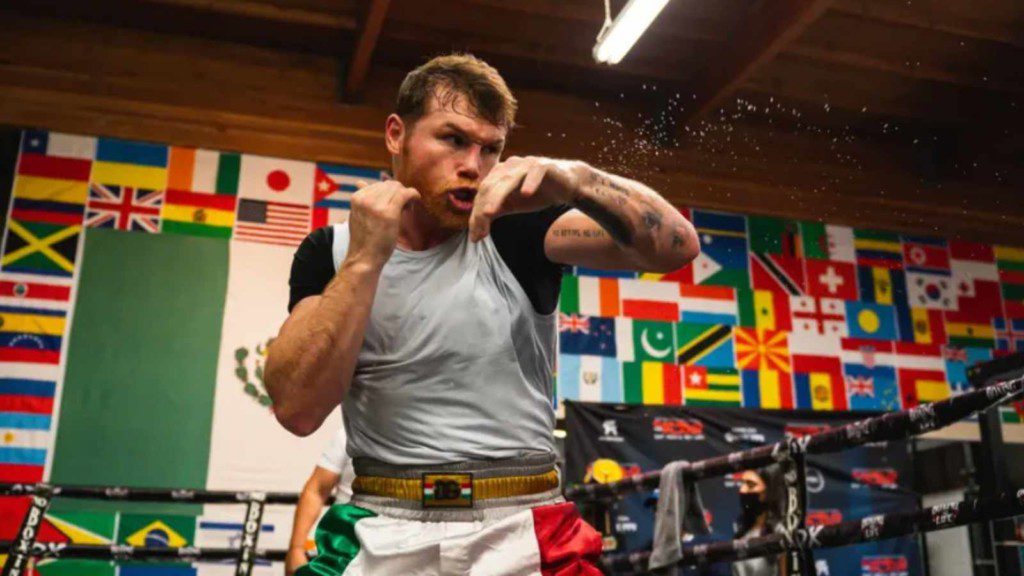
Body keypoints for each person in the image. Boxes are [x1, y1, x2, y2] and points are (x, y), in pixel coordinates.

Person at [265, 52, 700, 575]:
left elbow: (675, 245)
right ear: (396, 134)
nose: (474, 165)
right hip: (380, 530)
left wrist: (580, 180)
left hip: (519, 531)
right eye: (453, 140)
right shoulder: (330, 252)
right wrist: (364, 262)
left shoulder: (517, 232)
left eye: (490, 148)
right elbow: (297, 409)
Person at [285, 427, 356, 576]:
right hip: (345, 550)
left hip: (406, 549)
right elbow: (316, 489)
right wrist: (296, 548)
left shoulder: (418, 434)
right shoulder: (352, 429)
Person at [731, 467, 786, 576]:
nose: (743, 490)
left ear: (766, 493)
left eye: (750, 485)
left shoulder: (780, 531)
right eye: (742, 484)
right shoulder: (741, 532)